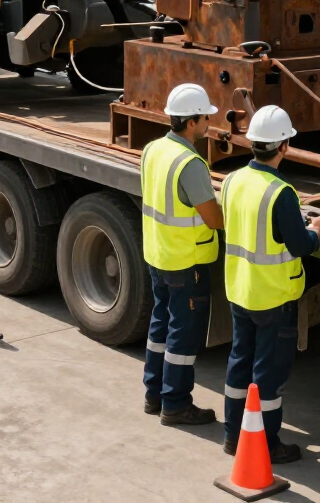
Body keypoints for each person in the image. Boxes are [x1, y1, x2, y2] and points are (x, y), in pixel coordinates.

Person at [220, 106, 320, 464]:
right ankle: (266, 443)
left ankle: (232, 435)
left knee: (240, 362)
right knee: (268, 375)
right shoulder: (281, 192)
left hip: (241, 290)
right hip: (274, 297)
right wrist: (316, 230)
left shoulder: (233, 180)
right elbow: (299, 246)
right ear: (284, 146)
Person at [140, 83, 225, 425]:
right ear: (191, 122)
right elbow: (213, 219)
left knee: (160, 326)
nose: (209, 123)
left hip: (158, 255)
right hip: (187, 263)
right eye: (206, 118)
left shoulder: (153, 149)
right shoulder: (190, 163)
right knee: (183, 336)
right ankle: (175, 404)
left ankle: (154, 395)